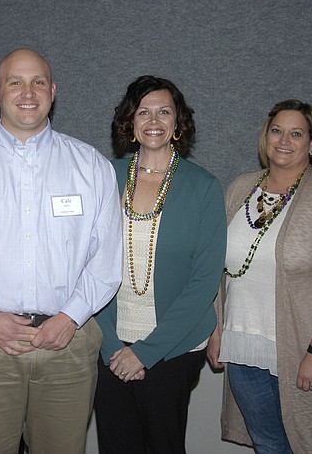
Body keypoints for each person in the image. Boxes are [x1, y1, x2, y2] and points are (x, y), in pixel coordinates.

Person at [0, 48, 123, 454]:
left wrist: (70, 317)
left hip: (68, 342)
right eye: (15, 82)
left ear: (53, 91)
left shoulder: (91, 167)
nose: (27, 92)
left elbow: (107, 260)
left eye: (38, 82)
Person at [207, 99, 312, 454]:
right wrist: (216, 329)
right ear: (265, 136)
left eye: (296, 133)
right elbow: (216, 268)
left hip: (301, 350)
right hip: (243, 347)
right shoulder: (240, 189)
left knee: (307, 445)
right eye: (277, 131)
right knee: (269, 445)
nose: (284, 140)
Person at [93, 75, 227, 453]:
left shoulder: (203, 187)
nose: (154, 120)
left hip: (174, 347)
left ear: (178, 122)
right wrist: (110, 346)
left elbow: (204, 282)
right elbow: (85, 266)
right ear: (130, 123)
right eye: (143, 112)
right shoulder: (105, 177)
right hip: (109, 342)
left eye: (164, 111)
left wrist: (146, 352)